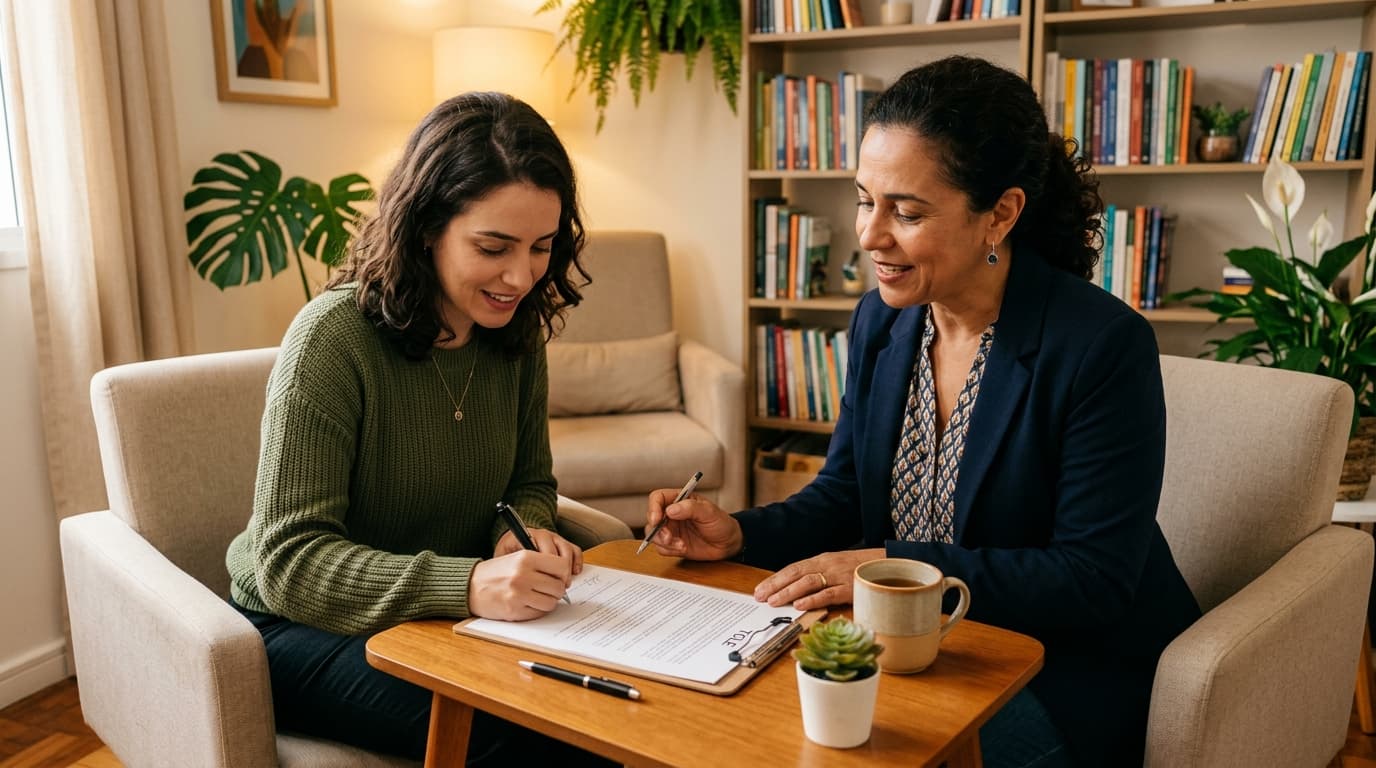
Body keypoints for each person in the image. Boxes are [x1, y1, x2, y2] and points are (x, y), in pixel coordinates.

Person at [645, 56, 1201, 768]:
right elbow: (845, 494)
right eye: (864, 200)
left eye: (906, 212)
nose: (870, 236)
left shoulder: (1102, 346)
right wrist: (737, 534)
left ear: (1000, 214)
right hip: (916, 645)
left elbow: (1091, 580)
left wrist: (897, 566)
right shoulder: (882, 321)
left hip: (1063, 667)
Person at [224, 92, 612, 765]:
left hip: (439, 620)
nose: (521, 276)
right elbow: (289, 560)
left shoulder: (515, 335)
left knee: (606, 711)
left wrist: (520, 529)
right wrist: (465, 586)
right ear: (427, 227)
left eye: (542, 247)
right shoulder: (331, 340)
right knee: (530, 734)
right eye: (493, 247)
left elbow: (529, 479)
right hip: (297, 627)